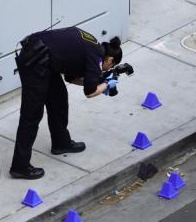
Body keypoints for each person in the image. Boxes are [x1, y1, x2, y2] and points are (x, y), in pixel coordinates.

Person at [9, 27, 123, 179]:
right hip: (35, 60)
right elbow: (90, 92)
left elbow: (71, 78)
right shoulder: (96, 57)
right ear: (110, 60)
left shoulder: (94, 46)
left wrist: (99, 82)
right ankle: (19, 166)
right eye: (111, 66)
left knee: (58, 100)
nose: (109, 68)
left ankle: (61, 143)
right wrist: (107, 84)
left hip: (46, 58)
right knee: (31, 115)